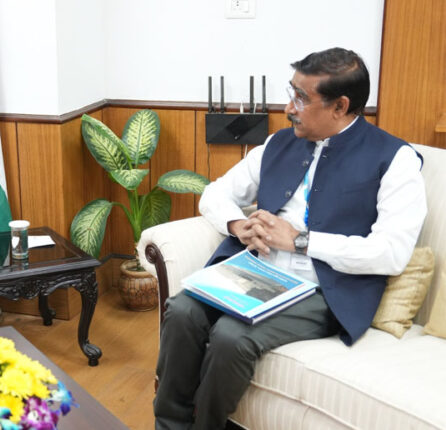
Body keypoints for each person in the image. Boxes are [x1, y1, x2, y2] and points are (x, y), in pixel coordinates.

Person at [154, 47, 427, 429]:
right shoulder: (278, 144)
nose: (288, 107)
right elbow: (215, 193)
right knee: (182, 311)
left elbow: (391, 253)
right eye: (291, 92)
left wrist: (301, 241)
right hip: (256, 272)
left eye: (301, 98)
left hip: (324, 289)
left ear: (340, 106)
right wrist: (237, 224)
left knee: (231, 336)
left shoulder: (395, 159)